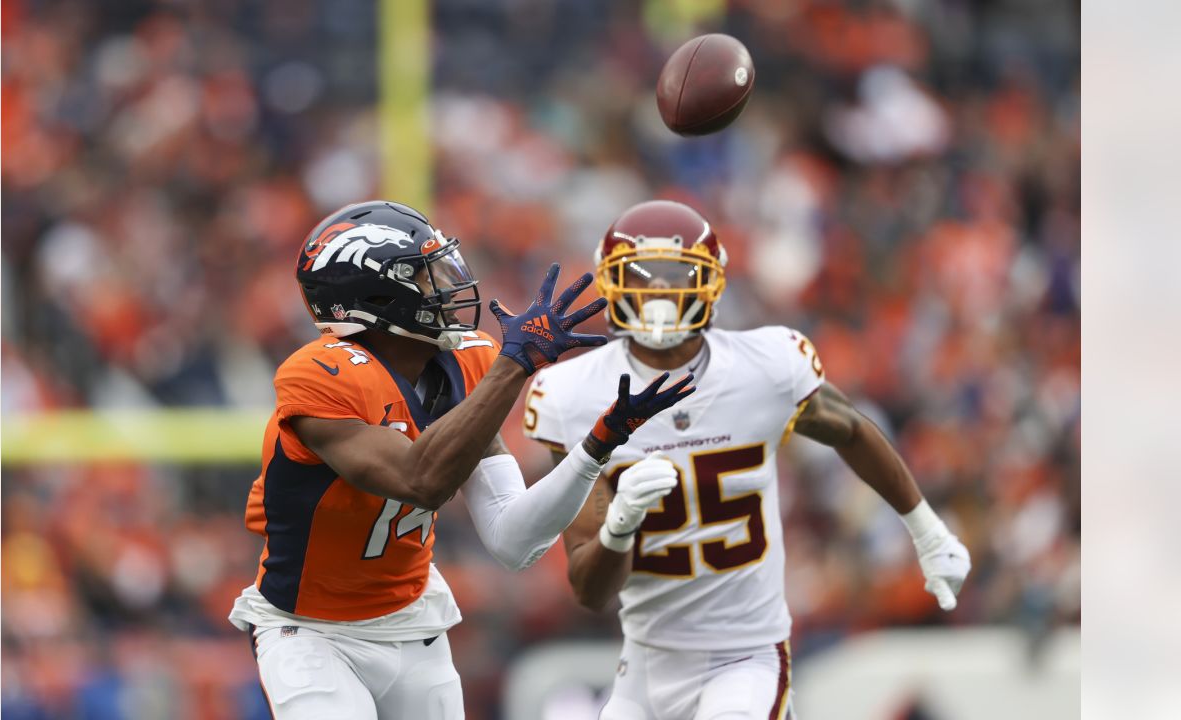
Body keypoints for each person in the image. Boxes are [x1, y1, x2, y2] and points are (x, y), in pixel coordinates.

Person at [227, 200, 696, 720]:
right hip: (311, 631)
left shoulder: (465, 361)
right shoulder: (318, 376)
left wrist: (596, 446)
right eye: (426, 277)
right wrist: (513, 367)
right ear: (375, 295)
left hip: (414, 624)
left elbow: (514, 541)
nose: (446, 287)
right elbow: (419, 479)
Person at [523, 200, 972, 720]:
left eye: (679, 277)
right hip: (645, 661)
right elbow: (589, 589)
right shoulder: (572, 394)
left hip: (747, 655)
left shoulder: (765, 366)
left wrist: (928, 531)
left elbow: (849, 430)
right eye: (642, 278)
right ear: (611, 283)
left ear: (711, 282)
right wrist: (620, 526)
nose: (661, 295)